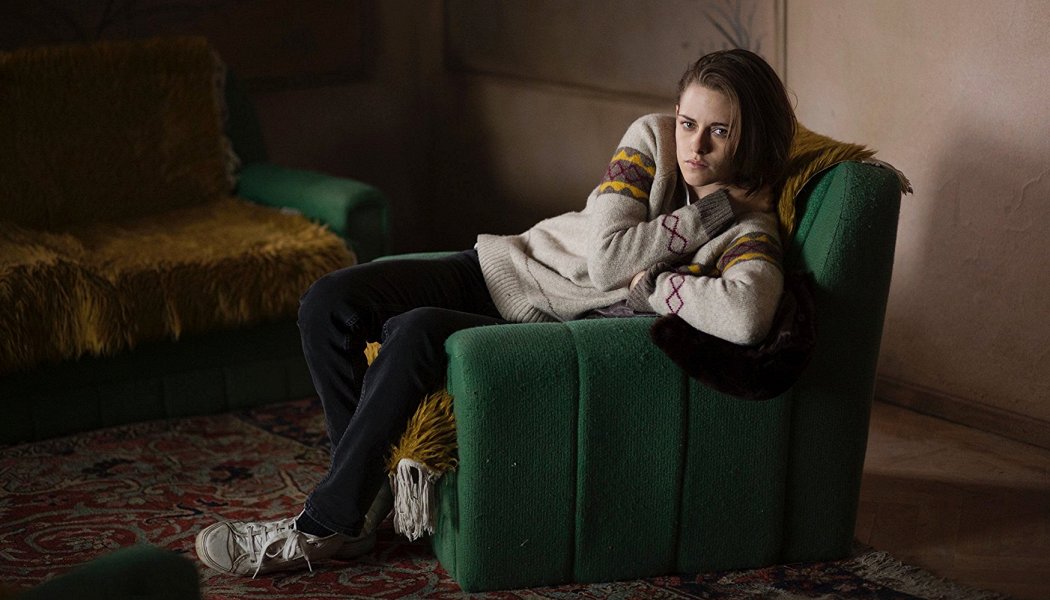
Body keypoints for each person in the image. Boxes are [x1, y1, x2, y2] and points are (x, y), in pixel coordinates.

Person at [194, 48, 796, 577]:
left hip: (545, 332)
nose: (695, 146)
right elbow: (608, 259)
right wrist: (707, 213)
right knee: (329, 303)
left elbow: (747, 317)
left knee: (415, 332)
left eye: (719, 132)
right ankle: (360, 500)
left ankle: (326, 523)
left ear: (751, 139)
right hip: (504, 266)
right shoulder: (653, 140)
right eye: (690, 122)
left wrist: (657, 284)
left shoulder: (750, 232)